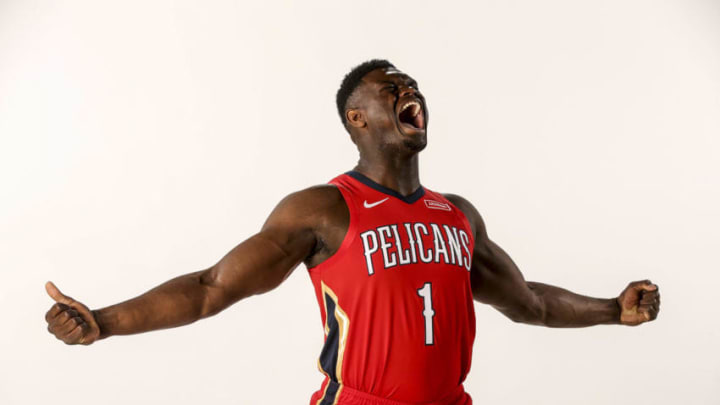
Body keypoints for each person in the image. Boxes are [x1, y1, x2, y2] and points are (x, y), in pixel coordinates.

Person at [45, 59, 661, 405]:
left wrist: (613, 309)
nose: (410, 91)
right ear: (357, 118)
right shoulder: (323, 209)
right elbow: (211, 288)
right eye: (393, 88)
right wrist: (104, 321)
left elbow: (528, 302)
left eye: (414, 86)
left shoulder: (458, 215)